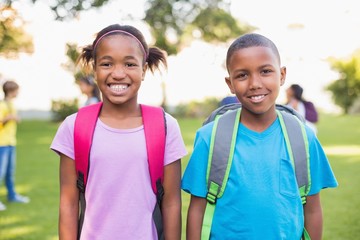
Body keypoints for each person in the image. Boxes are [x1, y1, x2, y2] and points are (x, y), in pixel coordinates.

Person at [182, 33, 338, 239]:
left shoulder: (303, 138)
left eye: (265, 71)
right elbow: (197, 209)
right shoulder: (209, 137)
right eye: (242, 75)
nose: (255, 83)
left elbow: (312, 209)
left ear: (282, 75)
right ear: (230, 83)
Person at [50, 24, 187, 239]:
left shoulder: (165, 126)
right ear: (95, 70)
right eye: (106, 64)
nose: (118, 73)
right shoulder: (74, 126)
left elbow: (171, 202)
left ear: (143, 69)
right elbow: (68, 202)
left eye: (130, 64)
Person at [0, 80, 30, 211]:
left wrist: (14, 118)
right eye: (16, 90)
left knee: (9, 173)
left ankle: (12, 196)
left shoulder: (11, 104)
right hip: (2, 144)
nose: (18, 93)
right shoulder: (2, 105)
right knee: (1, 173)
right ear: (11, 91)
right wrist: (8, 118)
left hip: (11, 142)